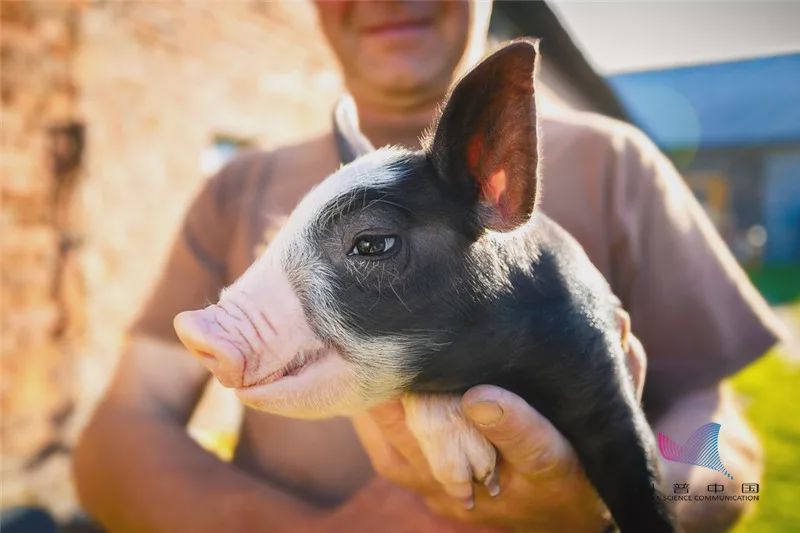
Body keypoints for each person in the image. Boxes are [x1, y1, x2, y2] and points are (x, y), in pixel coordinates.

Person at [73, 2, 784, 532]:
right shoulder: (237, 184)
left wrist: (616, 499)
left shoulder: (618, 165)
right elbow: (115, 437)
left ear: (501, 175)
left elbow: (727, 438)